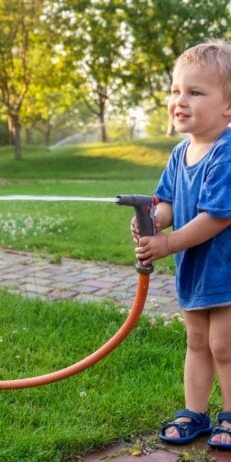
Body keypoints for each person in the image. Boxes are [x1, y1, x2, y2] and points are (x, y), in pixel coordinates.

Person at [131, 39, 231, 449]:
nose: (180, 100)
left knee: (224, 345)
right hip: (195, 269)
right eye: (175, 91)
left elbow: (219, 215)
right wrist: (150, 223)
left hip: (226, 270)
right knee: (196, 341)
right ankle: (195, 411)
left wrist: (167, 243)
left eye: (195, 92)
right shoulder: (179, 153)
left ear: (228, 106)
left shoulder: (226, 152)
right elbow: (167, 204)